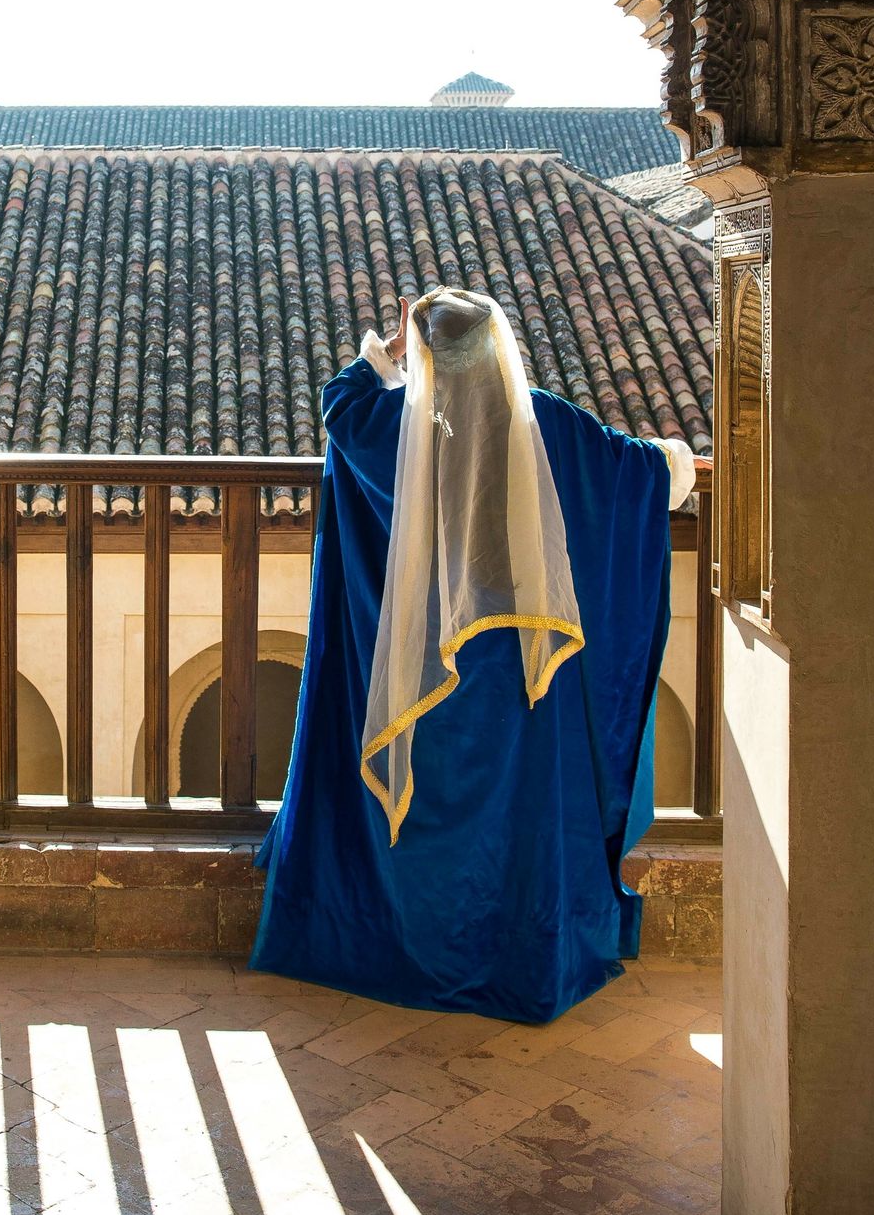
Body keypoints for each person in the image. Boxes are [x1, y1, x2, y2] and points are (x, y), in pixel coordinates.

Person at [250, 286, 695, 1023]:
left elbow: (342, 406)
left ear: (423, 355)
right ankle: (514, 958)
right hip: (521, 685)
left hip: (420, 680)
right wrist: (680, 458)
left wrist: (387, 354)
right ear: (498, 349)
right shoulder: (545, 423)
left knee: (418, 805)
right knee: (516, 826)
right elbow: (645, 472)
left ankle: (401, 944)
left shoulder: (393, 428)